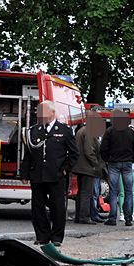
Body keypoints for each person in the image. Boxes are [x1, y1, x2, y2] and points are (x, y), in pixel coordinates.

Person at [19, 100, 78, 246]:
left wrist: (65, 169)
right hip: (38, 174)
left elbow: (74, 154)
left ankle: (57, 237)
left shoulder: (64, 130)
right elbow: (29, 154)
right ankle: (42, 236)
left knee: (57, 207)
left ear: (52, 112)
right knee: (38, 208)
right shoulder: (34, 130)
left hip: (56, 175)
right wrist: (24, 174)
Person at [100, 111, 134, 226]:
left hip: (113, 163)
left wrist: (107, 159)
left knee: (114, 191)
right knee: (129, 191)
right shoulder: (130, 132)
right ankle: (128, 218)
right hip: (127, 163)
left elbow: (103, 148)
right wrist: (133, 159)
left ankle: (112, 218)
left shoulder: (110, 131)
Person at [73, 111, 106, 224]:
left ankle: (79, 216)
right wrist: (96, 164)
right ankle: (84, 217)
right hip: (87, 167)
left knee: (81, 193)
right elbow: (89, 151)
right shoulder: (88, 131)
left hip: (80, 166)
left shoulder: (81, 130)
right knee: (86, 193)